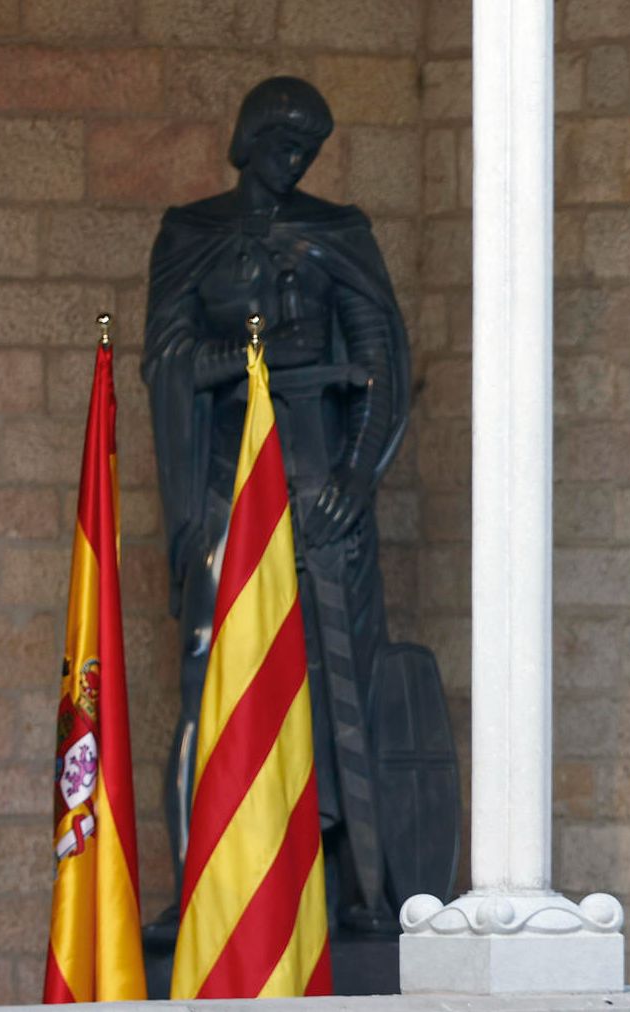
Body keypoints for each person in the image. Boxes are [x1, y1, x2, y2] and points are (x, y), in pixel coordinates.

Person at [141, 76, 421, 937]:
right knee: (209, 668)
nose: (294, 162)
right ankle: (200, 885)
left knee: (338, 670)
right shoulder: (193, 234)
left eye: (308, 149)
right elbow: (170, 358)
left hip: (317, 470)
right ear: (248, 138)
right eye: (282, 143)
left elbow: (382, 365)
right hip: (231, 469)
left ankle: (359, 887)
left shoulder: (340, 233)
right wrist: (244, 354)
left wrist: (351, 479)